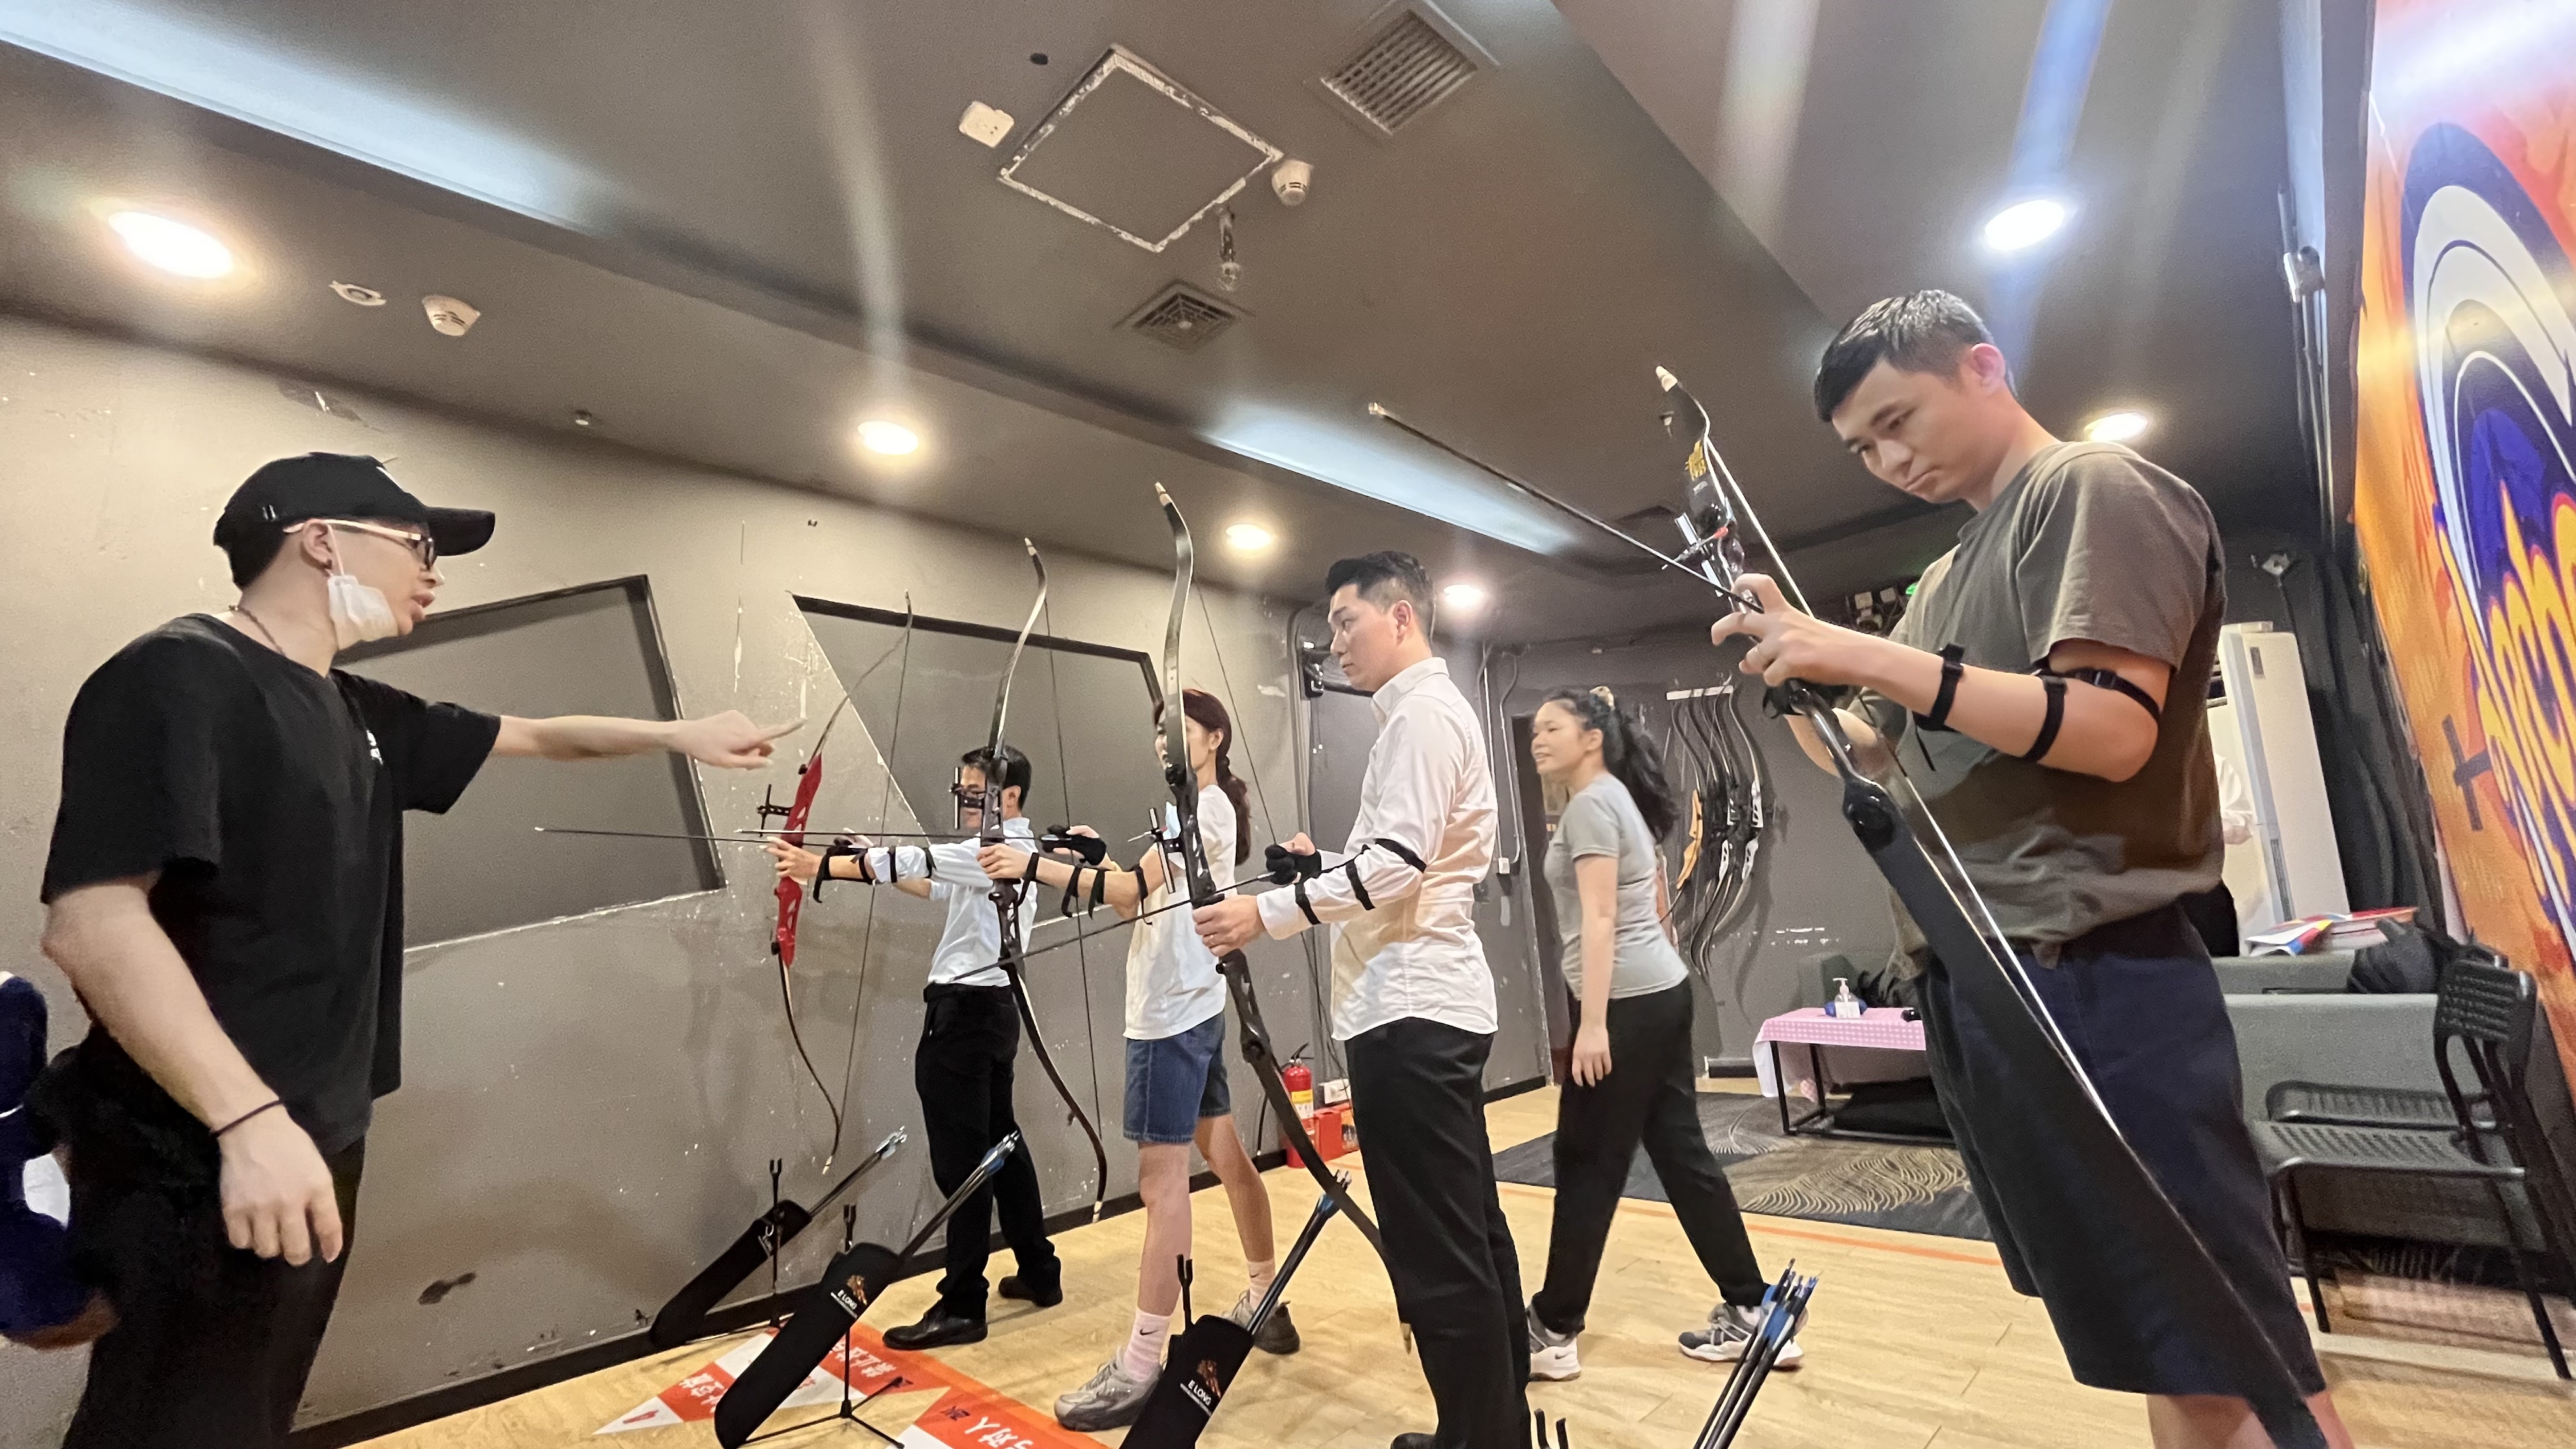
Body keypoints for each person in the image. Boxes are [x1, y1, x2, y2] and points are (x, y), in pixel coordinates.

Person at [32, 453, 795, 1449]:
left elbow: (542, 737)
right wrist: (247, 1121)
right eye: (418, 545)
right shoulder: (178, 674)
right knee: (175, 1421)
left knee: (252, 1407)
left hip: (312, 1134)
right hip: (198, 1148)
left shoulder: (354, 708)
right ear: (320, 540)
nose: (434, 572)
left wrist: (683, 735)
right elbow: (93, 924)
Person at [1711, 291, 2349, 1448]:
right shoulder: (1946, 572)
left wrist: (1860, 651)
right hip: (1990, 981)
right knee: (2158, 1343)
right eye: (1863, 448)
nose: (1889, 460)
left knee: (2229, 1345)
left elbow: (2109, 729)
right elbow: (1874, 751)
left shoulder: (2090, 487)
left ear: (1982, 367)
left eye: (1898, 420)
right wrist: (1793, 672)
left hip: (2092, 975)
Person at [1195, 552, 1526, 1449]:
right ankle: (1491, 1429)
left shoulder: (1420, 717)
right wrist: (1322, 867)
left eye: (1348, 621)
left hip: (1411, 1013)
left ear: (1402, 617)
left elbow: (1399, 869)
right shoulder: (1423, 716)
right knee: (1468, 1229)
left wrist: (1264, 914)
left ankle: (1481, 1439)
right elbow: (1400, 860)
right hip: (1426, 1006)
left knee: (1438, 1249)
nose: (1336, 641)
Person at [977, 687, 1293, 1430]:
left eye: (1179, 730)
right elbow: (1134, 897)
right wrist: (1092, 860)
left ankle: (1142, 1364)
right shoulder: (1198, 811)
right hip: (1192, 1004)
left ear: (1213, 739)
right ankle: (1265, 1299)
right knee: (1226, 1154)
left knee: (1161, 1185)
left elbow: (1124, 891)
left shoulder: (1201, 810)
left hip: (1169, 1016)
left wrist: (1034, 865)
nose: (1164, 742)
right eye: (1158, 731)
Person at [1519, 687, 1795, 1381]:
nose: (1538, 739)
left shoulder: (1592, 805)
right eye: (1535, 729)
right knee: (1678, 1153)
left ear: (1592, 738)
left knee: (1586, 1161)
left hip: (1625, 1005)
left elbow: (1602, 918)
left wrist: (1592, 1024)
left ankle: (1553, 1328)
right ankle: (1754, 1309)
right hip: (1658, 994)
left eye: (1552, 728)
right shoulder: (1616, 798)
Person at [767, 742, 1062, 1350]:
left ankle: (963, 1305)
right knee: (1001, 1145)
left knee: (963, 1165)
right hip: (992, 1013)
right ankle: (1039, 1270)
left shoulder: (996, 852)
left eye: (977, 793)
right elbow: (932, 885)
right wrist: (861, 855)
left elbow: (916, 859)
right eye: (964, 792)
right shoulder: (1005, 853)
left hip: (964, 1020)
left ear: (1009, 797)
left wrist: (819, 866)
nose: (966, 802)